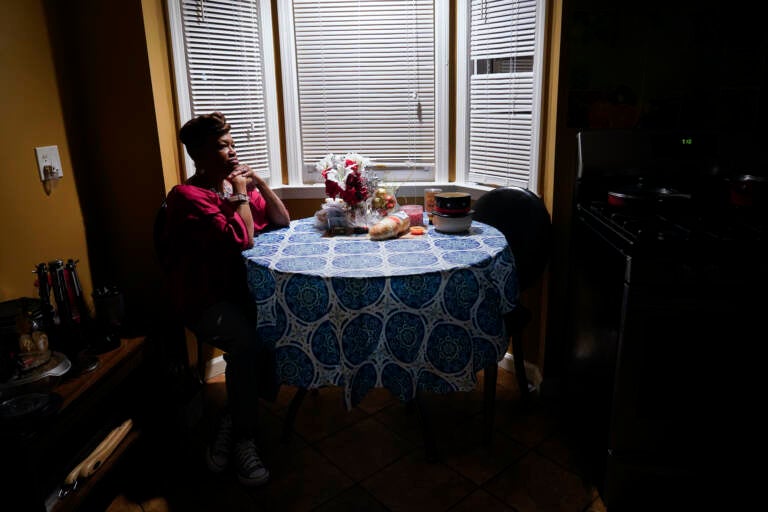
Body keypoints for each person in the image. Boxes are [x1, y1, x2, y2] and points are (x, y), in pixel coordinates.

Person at [161, 112, 290, 486]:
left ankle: (233, 415)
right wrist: (237, 193)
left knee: (277, 325)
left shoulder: (231, 187)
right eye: (222, 145)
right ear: (198, 154)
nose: (233, 151)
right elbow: (244, 240)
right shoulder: (187, 197)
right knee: (246, 342)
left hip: (241, 292)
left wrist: (260, 183)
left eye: (232, 143)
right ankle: (244, 437)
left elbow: (280, 221)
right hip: (205, 301)